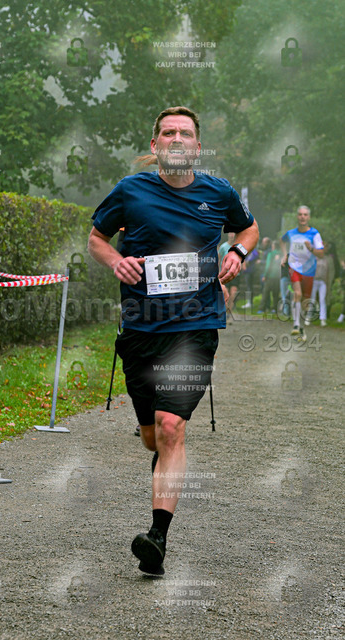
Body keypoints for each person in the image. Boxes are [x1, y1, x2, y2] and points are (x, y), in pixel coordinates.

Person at [88, 106, 259, 575]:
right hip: (142, 329)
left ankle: (157, 537)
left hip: (196, 327)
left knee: (171, 427)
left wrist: (238, 251)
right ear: (155, 145)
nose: (177, 138)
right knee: (152, 437)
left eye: (185, 133)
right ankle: (164, 460)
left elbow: (248, 227)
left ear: (197, 146)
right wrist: (115, 261)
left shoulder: (218, 192)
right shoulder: (130, 191)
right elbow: (97, 238)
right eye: (168, 133)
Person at [280, 206, 324, 340]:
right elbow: (282, 241)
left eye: (305, 215)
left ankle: (301, 327)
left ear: (308, 217)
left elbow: (321, 254)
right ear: (297, 217)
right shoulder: (291, 233)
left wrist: (311, 248)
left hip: (309, 270)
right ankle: (296, 325)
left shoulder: (314, 234)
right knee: (297, 294)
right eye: (300, 214)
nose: (302, 217)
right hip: (294, 267)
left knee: (305, 301)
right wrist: (284, 255)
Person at [218, 232, 240, 321]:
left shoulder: (238, 247)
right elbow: (219, 259)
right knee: (225, 294)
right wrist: (218, 272)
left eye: (233, 234)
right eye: (230, 234)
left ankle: (229, 313)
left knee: (233, 294)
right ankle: (225, 311)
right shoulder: (223, 247)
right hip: (224, 274)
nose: (231, 236)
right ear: (228, 235)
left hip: (235, 274)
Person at [258, 240, 281, 313]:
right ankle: (274, 308)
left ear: (273, 246)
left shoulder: (271, 254)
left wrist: (265, 275)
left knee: (265, 292)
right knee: (276, 293)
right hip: (278, 276)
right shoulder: (282, 254)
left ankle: (262, 308)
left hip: (270, 276)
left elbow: (268, 266)